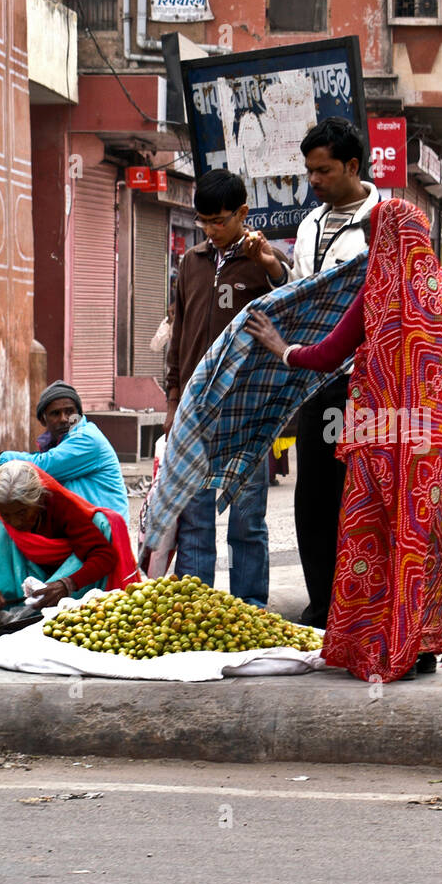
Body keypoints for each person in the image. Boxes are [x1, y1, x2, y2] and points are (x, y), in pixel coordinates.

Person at [244, 198, 442, 682]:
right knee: (419, 539)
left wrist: (283, 351)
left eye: (372, 237)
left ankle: (375, 646)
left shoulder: (379, 289)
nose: (369, 246)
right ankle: (420, 646)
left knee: (373, 539)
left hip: (379, 440)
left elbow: (329, 356)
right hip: (428, 444)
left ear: (383, 238)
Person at [250, 117, 380, 628]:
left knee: (359, 495)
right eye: (309, 171)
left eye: (323, 170)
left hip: (365, 385)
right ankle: (322, 605)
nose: (315, 181)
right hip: (315, 380)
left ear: (352, 165)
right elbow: (305, 289)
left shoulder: (382, 221)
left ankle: (359, 609)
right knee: (313, 497)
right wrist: (276, 269)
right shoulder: (310, 224)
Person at [163, 168, 288, 606]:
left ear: (242, 214)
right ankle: (195, 608)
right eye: (205, 222)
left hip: (247, 408)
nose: (213, 230)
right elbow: (178, 336)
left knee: (247, 518)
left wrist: (270, 263)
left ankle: (248, 607)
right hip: (196, 408)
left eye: (220, 221)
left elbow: (290, 296)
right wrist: (173, 400)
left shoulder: (261, 261)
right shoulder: (190, 262)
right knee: (195, 515)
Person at [0, 460, 138, 613]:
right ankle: (1, 607)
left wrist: (66, 584)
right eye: (8, 515)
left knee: (88, 548)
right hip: (23, 586)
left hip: (64, 587)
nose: (15, 521)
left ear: (38, 500)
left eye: (22, 513)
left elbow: (104, 556)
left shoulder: (58, 504)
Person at [0, 381, 128, 520]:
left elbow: (45, 466)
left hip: (104, 530)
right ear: (44, 420)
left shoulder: (87, 438)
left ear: (79, 414)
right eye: (55, 414)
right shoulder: (60, 443)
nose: (64, 419)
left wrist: (2, 459)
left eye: (70, 412)